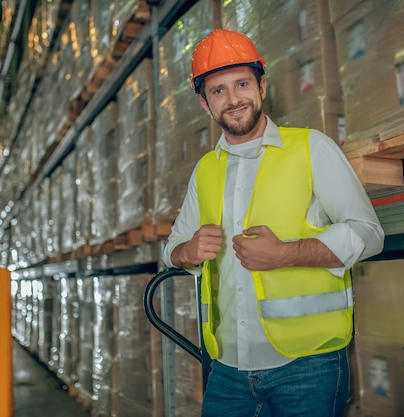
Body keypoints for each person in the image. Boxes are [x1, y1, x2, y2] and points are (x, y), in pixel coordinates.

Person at [162, 28, 385, 417]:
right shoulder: (205, 171)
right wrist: (188, 251)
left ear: (262, 87)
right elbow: (173, 249)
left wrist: (285, 253)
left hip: (308, 366)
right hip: (227, 368)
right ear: (205, 106)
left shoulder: (311, 147)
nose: (233, 100)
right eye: (218, 91)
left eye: (242, 84)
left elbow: (369, 234)